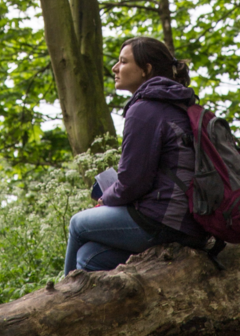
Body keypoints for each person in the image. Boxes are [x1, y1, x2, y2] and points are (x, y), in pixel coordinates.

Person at [63, 37, 205, 276]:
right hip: (192, 223)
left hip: (163, 220)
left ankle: (60, 303)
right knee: (88, 257)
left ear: (145, 70)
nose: (115, 68)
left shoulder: (145, 108)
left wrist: (105, 199)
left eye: (123, 62)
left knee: (78, 223)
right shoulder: (180, 104)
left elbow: (133, 183)